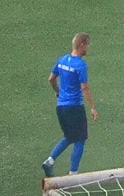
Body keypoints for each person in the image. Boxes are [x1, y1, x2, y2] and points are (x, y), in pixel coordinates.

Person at [43, 32, 98, 177]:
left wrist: (58, 92)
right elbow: (84, 88)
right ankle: (73, 174)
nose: (88, 48)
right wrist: (92, 107)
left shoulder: (62, 60)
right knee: (80, 139)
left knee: (69, 137)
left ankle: (49, 161)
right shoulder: (80, 65)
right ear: (82, 45)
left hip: (61, 107)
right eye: (87, 45)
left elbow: (51, 79)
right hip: (74, 107)